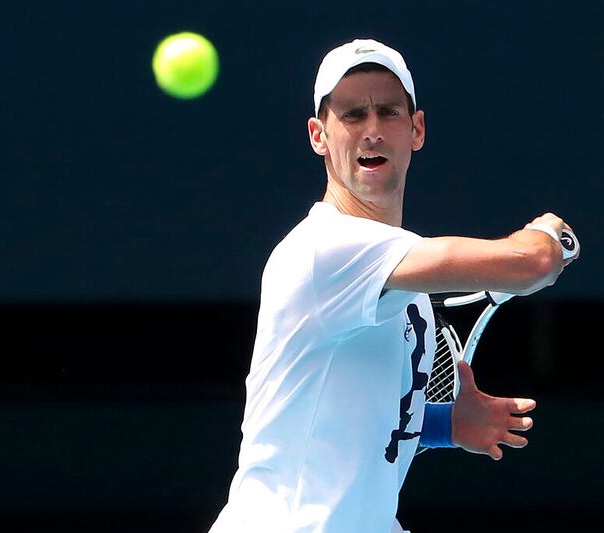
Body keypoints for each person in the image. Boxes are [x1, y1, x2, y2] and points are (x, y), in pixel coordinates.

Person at [209, 38, 578, 533]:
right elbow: (531, 263)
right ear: (318, 135)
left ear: (416, 129)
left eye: (387, 112)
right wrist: (551, 239)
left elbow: (357, 424)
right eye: (352, 116)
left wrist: (447, 427)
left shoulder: (409, 298)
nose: (372, 131)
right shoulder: (325, 248)